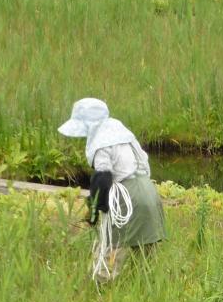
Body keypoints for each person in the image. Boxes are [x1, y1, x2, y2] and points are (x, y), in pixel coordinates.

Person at [58, 98, 166, 280]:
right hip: (149, 193)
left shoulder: (102, 144)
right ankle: (145, 292)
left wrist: (95, 207)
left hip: (127, 198)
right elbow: (144, 164)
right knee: (145, 257)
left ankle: (100, 294)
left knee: (109, 256)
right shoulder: (122, 134)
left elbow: (103, 179)